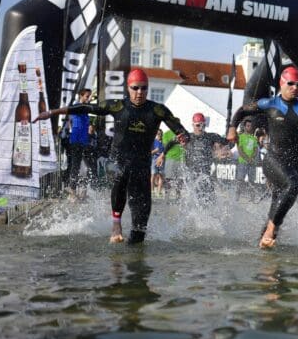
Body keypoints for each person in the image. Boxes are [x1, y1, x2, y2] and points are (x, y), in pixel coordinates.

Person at [34, 69, 189, 244]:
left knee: (140, 226)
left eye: (144, 88)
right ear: (128, 88)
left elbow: (179, 128)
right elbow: (86, 107)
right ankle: (116, 224)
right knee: (121, 175)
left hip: (141, 164)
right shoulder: (118, 106)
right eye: (135, 88)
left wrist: (184, 136)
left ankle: (133, 257)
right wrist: (52, 112)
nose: (139, 92)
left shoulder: (157, 110)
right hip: (118, 159)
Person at [227, 66, 298, 249]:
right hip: (273, 160)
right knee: (293, 185)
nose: (295, 87)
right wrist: (232, 128)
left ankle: (266, 239)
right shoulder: (269, 103)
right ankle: (271, 231)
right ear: (282, 84)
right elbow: (242, 111)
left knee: (282, 202)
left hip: (296, 164)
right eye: (291, 84)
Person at [160, 112, 227, 201]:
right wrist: (162, 155)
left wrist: (223, 150)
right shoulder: (188, 137)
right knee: (196, 200)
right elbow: (171, 143)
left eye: (203, 125)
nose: (200, 128)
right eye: (198, 125)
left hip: (205, 174)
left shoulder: (211, 136)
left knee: (210, 200)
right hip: (192, 174)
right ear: (193, 125)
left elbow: (227, 141)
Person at [66, 88, 96, 198]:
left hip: (84, 141)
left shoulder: (85, 109)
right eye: (87, 96)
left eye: (89, 97)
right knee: (76, 166)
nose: (88, 99)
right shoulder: (77, 106)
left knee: (87, 167)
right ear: (81, 96)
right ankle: (72, 191)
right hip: (76, 140)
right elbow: (70, 119)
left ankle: (83, 190)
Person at [235, 118, 260, 200]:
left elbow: (256, 150)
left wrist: (251, 158)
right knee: (240, 180)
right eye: (248, 126)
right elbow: (240, 150)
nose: (250, 127)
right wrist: (247, 158)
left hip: (252, 162)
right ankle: (237, 197)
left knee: (252, 181)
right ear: (245, 127)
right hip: (242, 162)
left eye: (251, 126)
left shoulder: (254, 138)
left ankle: (252, 198)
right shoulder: (240, 137)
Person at [151, 129, 165, 198]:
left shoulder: (163, 141)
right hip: (154, 159)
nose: (159, 135)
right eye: (158, 134)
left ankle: (159, 192)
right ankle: (152, 191)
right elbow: (149, 153)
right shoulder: (153, 141)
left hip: (162, 160)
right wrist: (155, 151)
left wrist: (162, 157)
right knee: (153, 175)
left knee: (161, 176)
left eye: (161, 134)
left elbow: (165, 151)